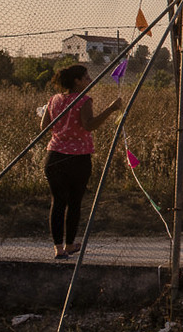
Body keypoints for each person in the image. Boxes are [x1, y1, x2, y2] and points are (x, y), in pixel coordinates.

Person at [40, 65, 122, 260]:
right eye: (86, 77)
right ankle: (69, 244)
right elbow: (89, 125)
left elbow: (44, 126)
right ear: (77, 81)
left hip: (54, 156)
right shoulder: (84, 100)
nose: (90, 80)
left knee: (57, 202)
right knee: (74, 202)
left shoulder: (54, 99)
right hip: (78, 158)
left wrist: (62, 131)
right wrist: (110, 109)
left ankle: (58, 248)